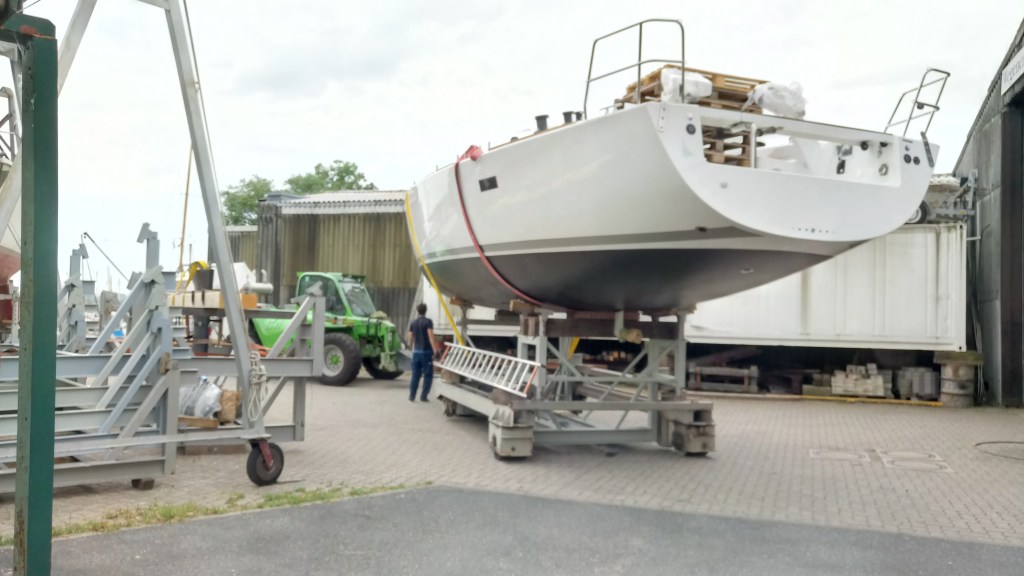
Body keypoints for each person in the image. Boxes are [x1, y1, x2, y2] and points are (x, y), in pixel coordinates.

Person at [407, 302, 440, 402]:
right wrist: (435, 350)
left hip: (416, 352)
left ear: (417, 311)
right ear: (425, 311)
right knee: (428, 375)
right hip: (426, 352)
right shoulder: (428, 322)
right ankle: (423, 396)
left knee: (415, 375)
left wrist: (411, 347)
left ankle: (412, 396)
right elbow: (430, 336)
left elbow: (411, 337)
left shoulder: (413, 323)